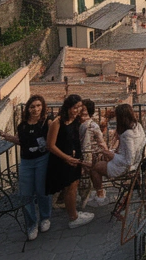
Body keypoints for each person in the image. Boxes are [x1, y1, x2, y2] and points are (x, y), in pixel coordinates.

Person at [0, 94, 52, 240]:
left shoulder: (46, 122)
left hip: (42, 159)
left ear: (43, 107)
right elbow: (20, 141)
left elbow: (54, 137)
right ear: (28, 109)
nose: (36, 109)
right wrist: (3, 134)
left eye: (38, 106)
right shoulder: (22, 126)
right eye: (32, 106)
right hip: (26, 162)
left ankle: (45, 218)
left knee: (42, 190)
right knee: (25, 194)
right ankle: (31, 224)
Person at [45, 94, 93, 228]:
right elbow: (50, 145)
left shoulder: (76, 120)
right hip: (62, 160)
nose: (77, 110)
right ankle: (73, 218)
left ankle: (74, 213)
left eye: (79, 107)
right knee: (69, 188)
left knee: (73, 185)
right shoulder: (58, 122)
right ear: (68, 107)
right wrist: (67, 158)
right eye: (75, 107)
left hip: (73, 159)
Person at [86, 104, 146, 206]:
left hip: (124, 167)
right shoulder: (138, 126)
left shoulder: (127, 134)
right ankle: (99, 192)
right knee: (100, 161)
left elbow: (128, 160)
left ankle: (100, 196)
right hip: (134, 164)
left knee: (95, 169)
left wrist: (111, 155)